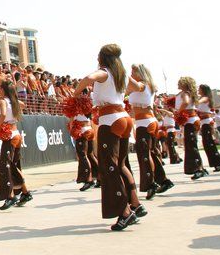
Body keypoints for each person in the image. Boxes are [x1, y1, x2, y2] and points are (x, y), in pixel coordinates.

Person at [73, 44, 144, 231]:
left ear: (103, 57)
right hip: (124, 118)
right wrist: (146, 85)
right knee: (120, 165)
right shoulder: (121, 73)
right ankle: (135, 203)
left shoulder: (104, 72)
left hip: (110, 119)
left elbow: (89, 78)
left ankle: (125, 212)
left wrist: (75, 93)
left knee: (109, 167)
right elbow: (139, 87)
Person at [128, 64, 173, 200]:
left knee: (144, 154)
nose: (131, 73)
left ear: (139, 73)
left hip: (145, 122)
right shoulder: (147, 85)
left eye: (133, 71)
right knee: (151, 152)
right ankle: (163, 180)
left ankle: (150, 183)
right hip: (148, 121)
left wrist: (123, 76)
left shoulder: (142, 85)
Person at [0, 81, 32, 209]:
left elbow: (3, 114)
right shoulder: (13, 101)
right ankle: (25, 193)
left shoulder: (4, 101)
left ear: (3, 90)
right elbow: (23, 105)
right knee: (13, 165)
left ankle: (10, 196)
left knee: (6, 167)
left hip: (9, 136)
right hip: (16, 134)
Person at [175, 77, 207, 180]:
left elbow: (185, 102)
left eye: (180, 82)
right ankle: (199, 167)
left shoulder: (185, 93)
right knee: (191, 144)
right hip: (192, 120)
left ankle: (199, 169)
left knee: (191, 145)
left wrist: (178, 112)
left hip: (190, 121)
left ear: (184, 84)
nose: (178, 84)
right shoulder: (189, 93)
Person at [198, 84, 220, 171]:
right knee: (207, 144)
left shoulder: (205, 98)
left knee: (209, 143)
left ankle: (219, 162)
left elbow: (198, 103)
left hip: (207, 123)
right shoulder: (202, 98)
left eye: (199, 89)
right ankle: (218, 162)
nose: (198, 90)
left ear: (204, 90)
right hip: (204, 123)